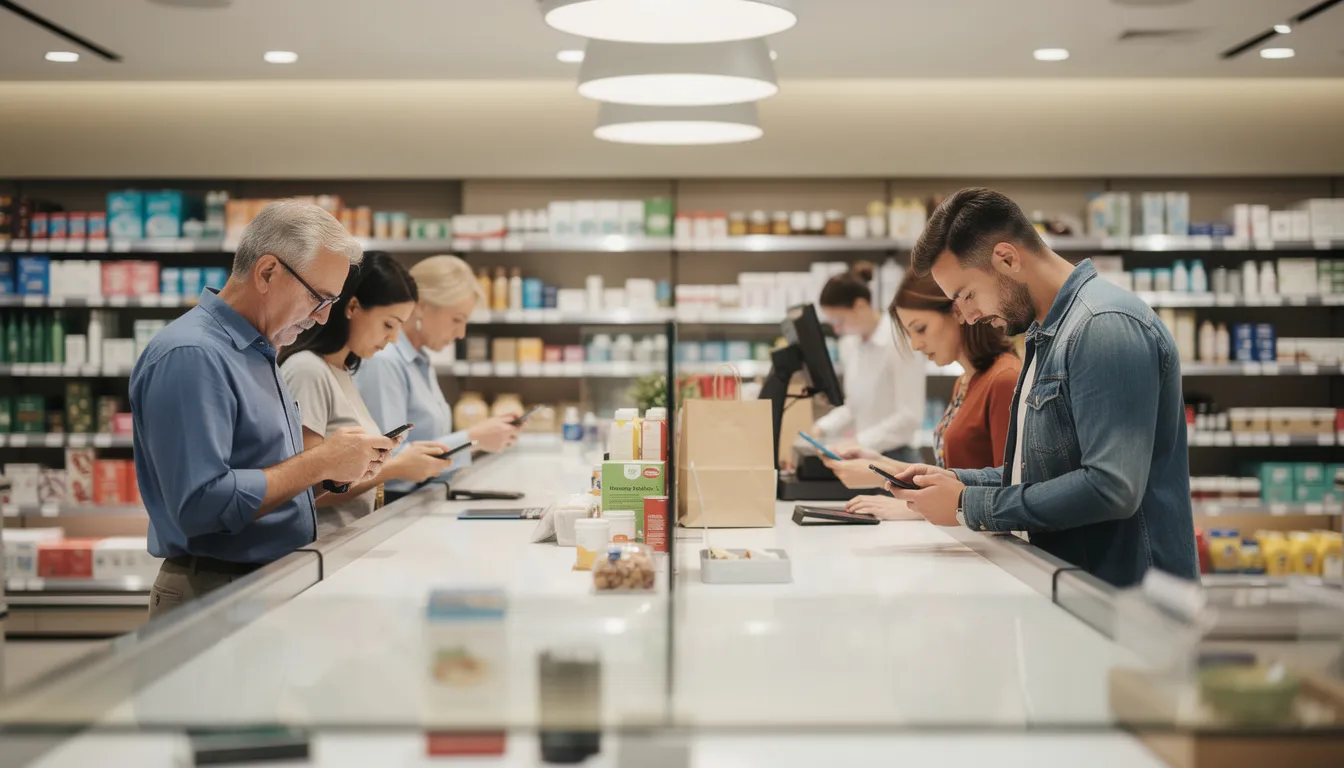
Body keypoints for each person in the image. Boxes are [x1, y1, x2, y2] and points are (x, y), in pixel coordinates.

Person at [883, 187, 1198, 587]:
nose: (964, 316)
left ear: (1007, 258)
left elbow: (1111, 487)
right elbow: (1042, 474)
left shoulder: (1103, 325)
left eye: (966, 295)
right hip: (1081, 593)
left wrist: (968, 505)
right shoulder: (1046, 336)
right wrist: (957, 482)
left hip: (1130, 608)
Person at [131, 200, 393, 617]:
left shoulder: (259, 351)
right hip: (214, 592)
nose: (323, 319)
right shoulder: (192, 354)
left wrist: (335, 471)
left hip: (262, 584)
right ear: (268, 271)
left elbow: (267, 479)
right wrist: (318, 461)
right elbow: (202, 504)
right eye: (318, 299)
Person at [280, 252, 458, 535]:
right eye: (388, 324)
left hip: (348, 542)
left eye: (400, 327)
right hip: (319, 554)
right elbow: (307, 489)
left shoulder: (342, 370)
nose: (394, 339)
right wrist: (396, 468)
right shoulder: (307, 371)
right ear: (352, 306)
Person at [825, 270, 1021, 519]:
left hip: (993, 551)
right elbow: (953, 477)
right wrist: (881, 464)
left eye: (921, 329)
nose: (916, 345)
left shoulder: (1004, 380)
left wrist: (916, 509)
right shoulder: (966, 381)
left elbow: (1008, 491)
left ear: (958, 312)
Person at [355, 255, 519, 503]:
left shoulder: (420, 360)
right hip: (393, 504)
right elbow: (389, 460)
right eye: (456, 320)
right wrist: (472, 439)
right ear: (421, 306)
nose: (461, 333)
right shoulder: (385, 361)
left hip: (420, 498)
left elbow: (424, 444)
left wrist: (477, 439)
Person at [812, 262, 926, 462]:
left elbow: (909, 416)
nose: (836, 330)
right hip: (864, 455)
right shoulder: (850, 345)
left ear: (860, 306)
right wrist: (822, 427)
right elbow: (853, 406)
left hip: (898, 459)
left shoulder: (899, 342)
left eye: (839, 321)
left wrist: (858, 442)